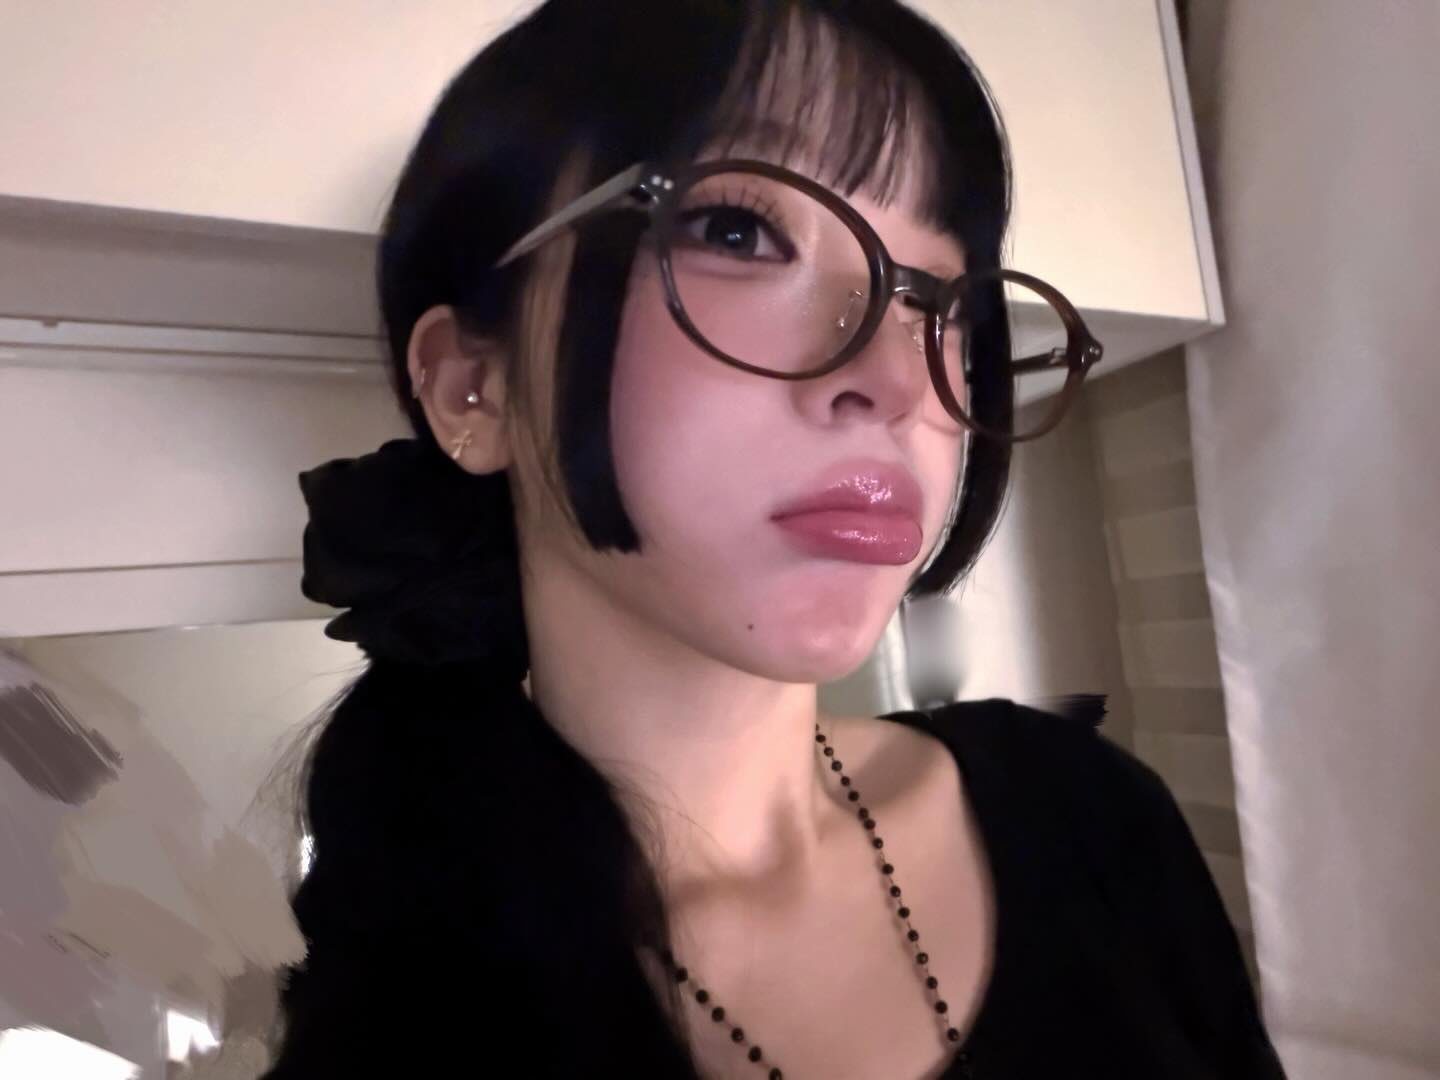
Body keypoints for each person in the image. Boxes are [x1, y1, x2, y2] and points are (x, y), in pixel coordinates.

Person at [262, 1, 1288, 1077]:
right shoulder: (408, 1024)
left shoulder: (1088, 812)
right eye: (738, 233)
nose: (899, 379)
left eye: (941, 302)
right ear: (474, 385)